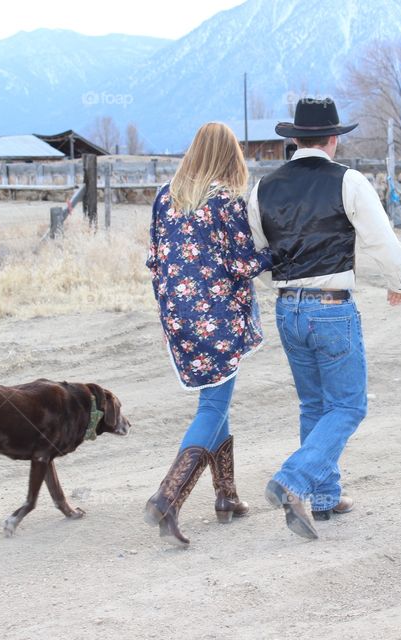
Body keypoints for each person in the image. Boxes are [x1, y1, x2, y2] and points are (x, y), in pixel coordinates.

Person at [247, 97, 401, 540]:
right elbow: (382, 240)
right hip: (331, 306)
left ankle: (323, 497)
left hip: (287, 305)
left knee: (314, 405)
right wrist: (398, 281)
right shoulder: (349, 181)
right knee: (349, 405)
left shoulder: (264, 187)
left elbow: (260, 248)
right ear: (333, 139)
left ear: (295, 138)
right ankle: (292, 480)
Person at [144, 122, 271, 547]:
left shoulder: (165, 197)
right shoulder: (226, 201)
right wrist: (278, 253)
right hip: (218, 317)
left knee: (215, 399)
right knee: (213, 404)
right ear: (228, 157)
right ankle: (169, 495)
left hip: (178, 315)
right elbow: (242, 263)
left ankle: (226, 496)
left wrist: (169, 312)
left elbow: (155, 261)